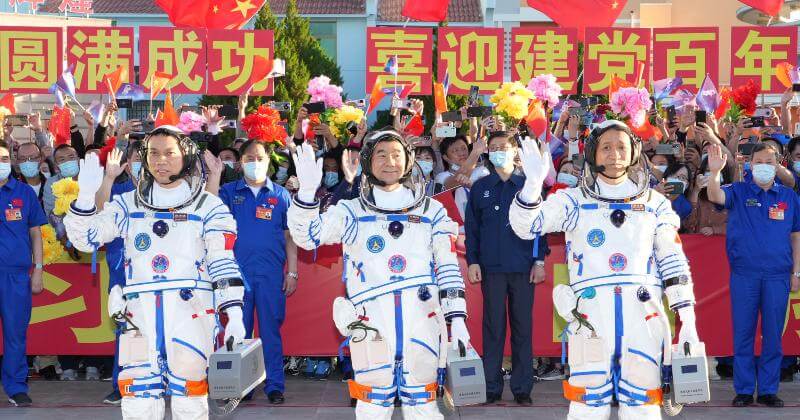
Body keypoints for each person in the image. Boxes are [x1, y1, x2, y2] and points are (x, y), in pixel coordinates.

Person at [509, 120, 701, 419]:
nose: (614, 154)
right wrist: (533, 185)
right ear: (592, 154)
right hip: (590, 316)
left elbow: (673, 260)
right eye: (606, 147)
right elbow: (526, 226)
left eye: (621, 146)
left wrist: (687, 318)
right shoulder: (573, 200)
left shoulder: (655, 203)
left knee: (642, 403)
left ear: (634, 152)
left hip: (643, 315)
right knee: (587, 403)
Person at [64, 126, 247, 419]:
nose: (161, 160)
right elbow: (86, 239)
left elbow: (222, 261)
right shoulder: (127, 204)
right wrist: (86, 196)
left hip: (191, 312)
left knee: (189, 396)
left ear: (186, 155)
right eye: (154, 154)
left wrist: (234, 314)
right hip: (139, 315)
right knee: (138, 398)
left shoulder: (209, 207)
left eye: (169, 153)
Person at [288, 130, 470, 419]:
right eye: (381, 154)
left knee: (423, 405)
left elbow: (448, 268)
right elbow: (308, 237)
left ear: (408, 161)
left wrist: (457, 320)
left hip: (422, 321)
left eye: (397, 154)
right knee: (372, 405)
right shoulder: (350, 211)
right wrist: (307, 195)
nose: (389, 161)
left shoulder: (431, 211)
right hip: (371, 324)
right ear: (368, 161)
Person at [705, 142, 800, 408]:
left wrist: (797, 272)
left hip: (778, 275)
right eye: (758, 161)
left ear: (778, 163)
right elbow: (715, 196)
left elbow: (796, 237)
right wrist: (714, 173)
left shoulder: (789, 196)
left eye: (769, 162)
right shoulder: (738, 190)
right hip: (745, 274)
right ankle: (745, 390)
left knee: (772, 334)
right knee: (744, 332)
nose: (764, 167)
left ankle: (768, 390)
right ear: (749, 163)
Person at [219, 139, 297, 404]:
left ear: (268, 160)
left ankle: (275, 385)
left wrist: (293, 272)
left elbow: (290, 238)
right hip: (236, 274)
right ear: (241, 163)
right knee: (239, 332)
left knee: (270, 331)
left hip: (270, 273)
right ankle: (244, 386)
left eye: (260, 157)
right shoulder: (229, 192)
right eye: (249, 158)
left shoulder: (281, 195)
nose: (255, 162)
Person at [464, 131, 539, 405]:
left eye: (503, 147)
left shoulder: (528, 185)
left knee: (522, 328)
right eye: (493, 148)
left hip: (523, 267)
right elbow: (472, 229)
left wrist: (539, 260)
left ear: (515, 152)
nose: (499, 152)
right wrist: (472, 260)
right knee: (493, 328)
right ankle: (492, 387)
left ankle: (522, 389)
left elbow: (539, 226)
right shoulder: (480, 187)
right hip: (492, 269)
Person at [93, 143, 141, 405]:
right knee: (127, 330)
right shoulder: (120, 191)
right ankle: (123, 384)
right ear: (127, 162)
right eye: (137, 158)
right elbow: (98, 207)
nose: (142, 162)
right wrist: (109, 177)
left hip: (154, 273)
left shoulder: (161, 194)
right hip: (122, 274)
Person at [0, 141, 46, 407]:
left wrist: (37, 269)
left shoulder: (24, 192)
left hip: (16, 276)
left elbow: (35, 233)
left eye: (5, 157)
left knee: (16, 334)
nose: (2, 162)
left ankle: (16, 386)